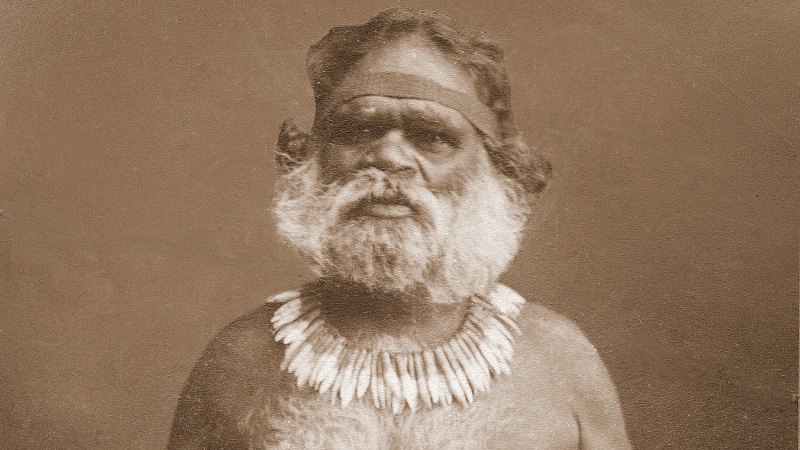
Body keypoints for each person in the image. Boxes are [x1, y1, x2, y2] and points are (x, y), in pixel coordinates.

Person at [168, 7, 631, 449]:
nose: (388, 157)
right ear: (312, 158)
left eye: (433, 136)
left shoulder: (558, 358)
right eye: (357, 131)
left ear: (495, 170)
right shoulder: (241, 360)